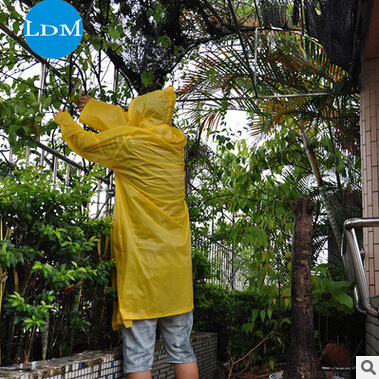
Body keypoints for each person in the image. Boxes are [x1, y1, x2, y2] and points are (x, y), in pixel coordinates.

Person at [54, 87, 198, 379]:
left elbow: (88, 144)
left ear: (140, 115)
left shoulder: (131, 144)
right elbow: (127, 127)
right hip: (177, 275)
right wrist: (94, 108)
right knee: (182, 350)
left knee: (139, 357)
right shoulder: (173, 145)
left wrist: (66, 121)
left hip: (145, 271)